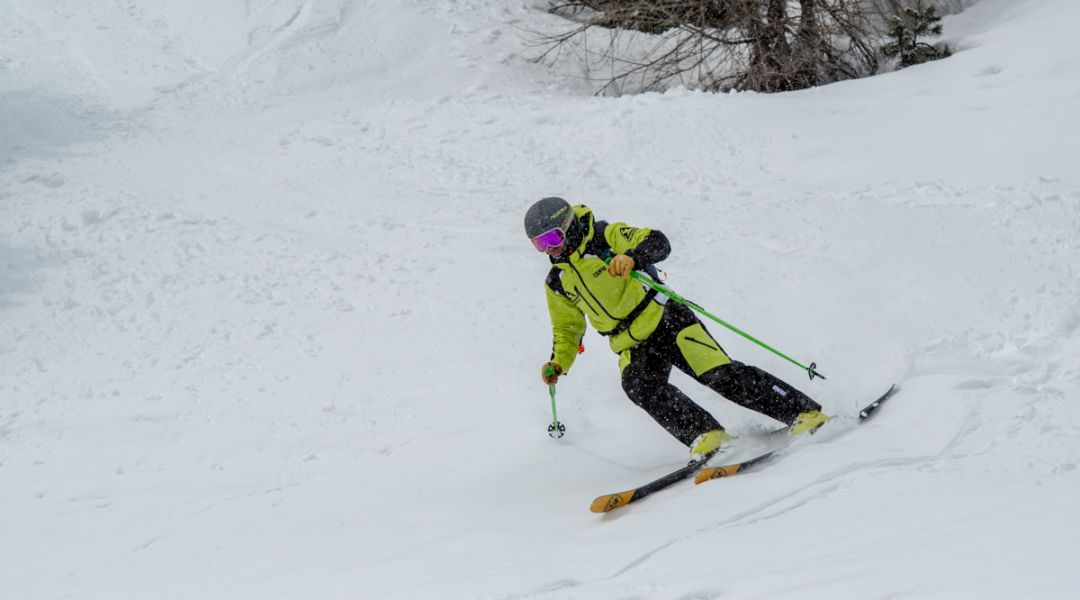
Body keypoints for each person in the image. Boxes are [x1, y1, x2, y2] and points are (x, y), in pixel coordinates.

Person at [525, 196, 828, 460]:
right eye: (540, 245)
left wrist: (631, 256)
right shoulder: (557, 282)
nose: (549, 250)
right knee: (639, 386)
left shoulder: (605, 235)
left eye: (552, 239)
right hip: (630, 343)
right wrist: (558, 363)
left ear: (569, 225)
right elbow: (567, 329)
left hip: (666, 318)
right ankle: (708, 436)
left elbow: (658, 242)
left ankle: (803, 412)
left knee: (718, 374)